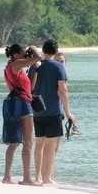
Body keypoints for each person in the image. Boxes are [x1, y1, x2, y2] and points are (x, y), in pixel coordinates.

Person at [32, 39, 76, 185]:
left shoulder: (35, 66)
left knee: (39, 144)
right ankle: (47, 178)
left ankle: (38, 177)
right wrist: (68, 112)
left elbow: (30, 87)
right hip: (53, 110)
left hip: (37, 110)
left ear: (43, 51)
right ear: (56, 51)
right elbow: (63, 90)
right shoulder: (58, 67)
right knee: (51, 145)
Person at [2, 44, 42, 186]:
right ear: (16, 54)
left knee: (14, 143)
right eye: (24, 53)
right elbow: (39, 57)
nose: (26, 55)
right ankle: (27, 178)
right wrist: (32, 48)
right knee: (28, 142)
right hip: (23, 105)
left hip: (15, 104)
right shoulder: (17, 64)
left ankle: (7, 176)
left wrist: (35, 69)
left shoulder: (11, 67)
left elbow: (29, 88)